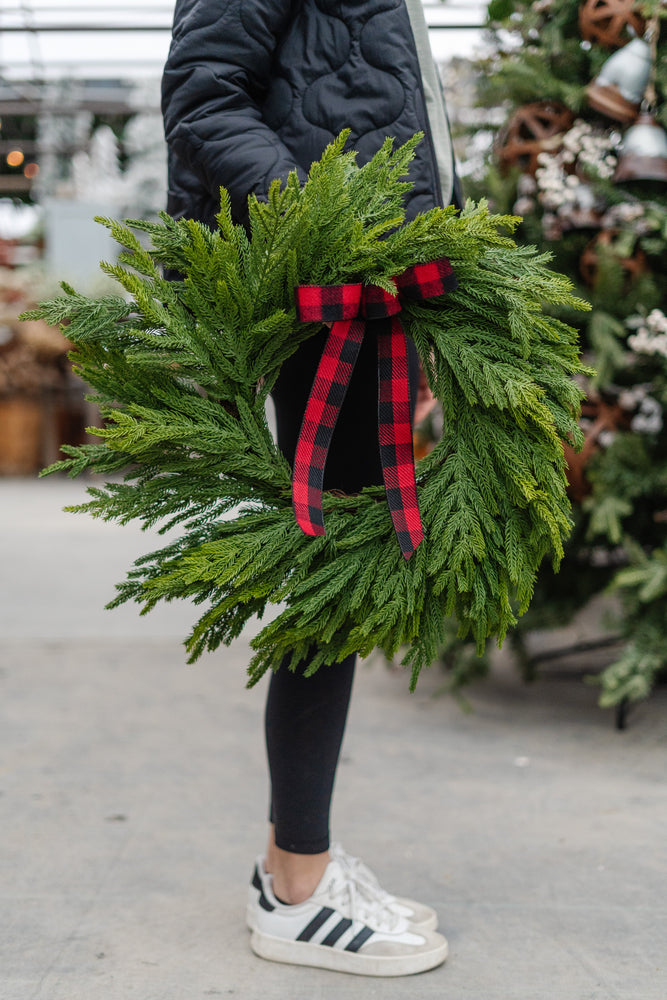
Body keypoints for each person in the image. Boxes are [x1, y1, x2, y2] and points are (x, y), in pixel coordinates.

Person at [162, 0, 461, 977]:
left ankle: (295, 857)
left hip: (380, 286)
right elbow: (205, 104)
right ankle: (296, 882)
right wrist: (334, 225)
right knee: (330, 578)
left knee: (343, 573)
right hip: (324, 286)